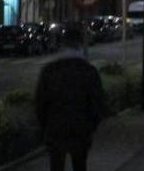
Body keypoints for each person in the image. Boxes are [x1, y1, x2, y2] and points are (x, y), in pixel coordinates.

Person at [35, 27, 107, 171]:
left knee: (56, 165)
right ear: (80, 44)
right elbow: (98, 102)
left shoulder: (50, 71)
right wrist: (91, 126)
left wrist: (45, 127)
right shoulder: (88, 71)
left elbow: (40, 102)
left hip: (55, 128)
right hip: (80, 128)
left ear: (62, 45)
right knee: (80, 165)